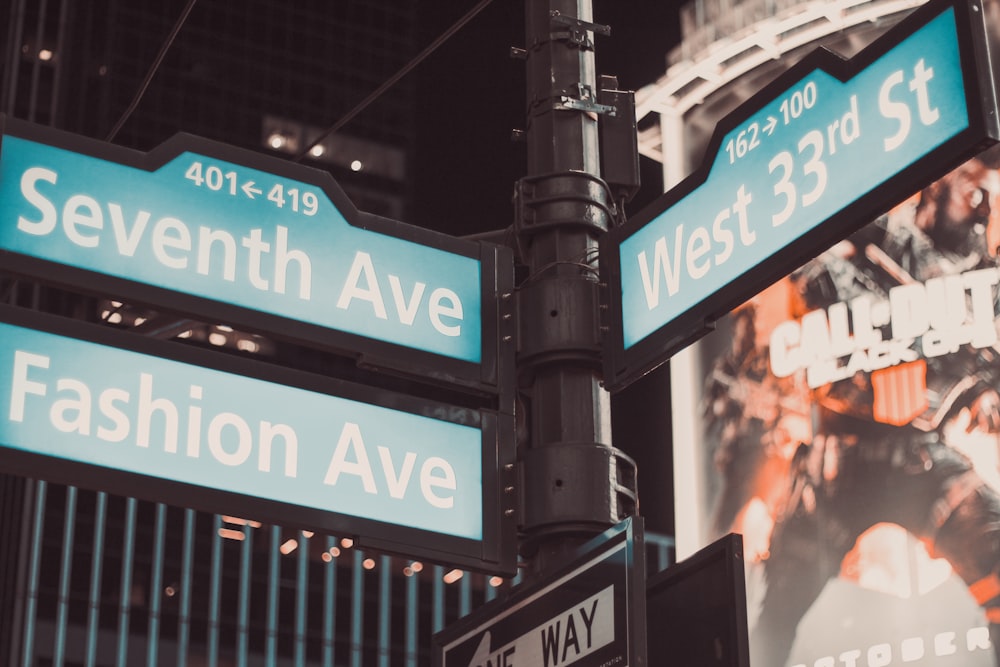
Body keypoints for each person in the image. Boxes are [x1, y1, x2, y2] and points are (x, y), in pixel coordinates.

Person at [705, 150, 1000, 666]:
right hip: (831, 466)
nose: (985, 212)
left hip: (921, 456)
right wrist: (745, 495)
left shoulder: (975, 268)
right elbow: (763, 379)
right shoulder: (864, 240)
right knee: (768, 628)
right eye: (975, 191)